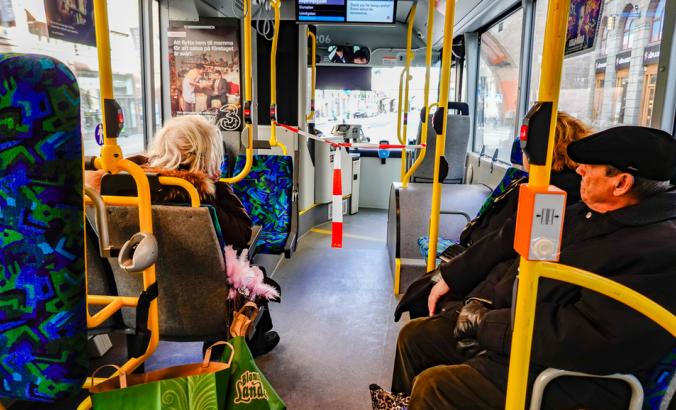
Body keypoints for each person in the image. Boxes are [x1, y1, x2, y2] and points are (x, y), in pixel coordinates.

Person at [392, 126, 676, 409]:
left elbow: (591, 338)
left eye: (590, 167)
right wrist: (470, 297)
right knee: (417, 338)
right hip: (519, 336)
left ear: (621, 183)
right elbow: (512, 252)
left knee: (436, 388)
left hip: (573, 377)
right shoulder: (580, 214)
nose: (580, 171)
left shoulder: (658, 252)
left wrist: (486, 323)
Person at [395, 112, 593, 321]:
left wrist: (455, 274)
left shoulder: (538, 194)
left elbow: (498, 241)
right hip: (497, 274)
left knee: (419, 307)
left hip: (492, 282)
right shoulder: (572, 192)